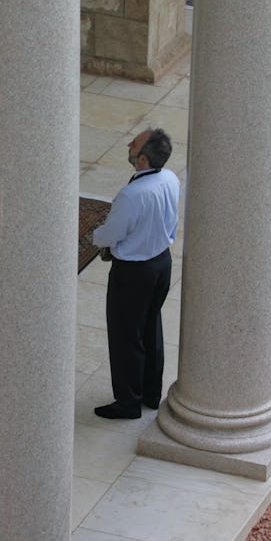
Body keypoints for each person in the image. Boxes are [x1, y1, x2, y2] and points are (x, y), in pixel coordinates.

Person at [92, 127, 180, 420]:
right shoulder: (170, 178)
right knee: (151, 325)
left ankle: (128, 402)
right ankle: (151, 393)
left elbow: (111, 234)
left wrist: (96, 236)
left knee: (125, 336)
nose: (128, 144)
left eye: (134, 144)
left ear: (142, 160)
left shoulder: (131, 195)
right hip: (161, 263)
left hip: (133, 272)